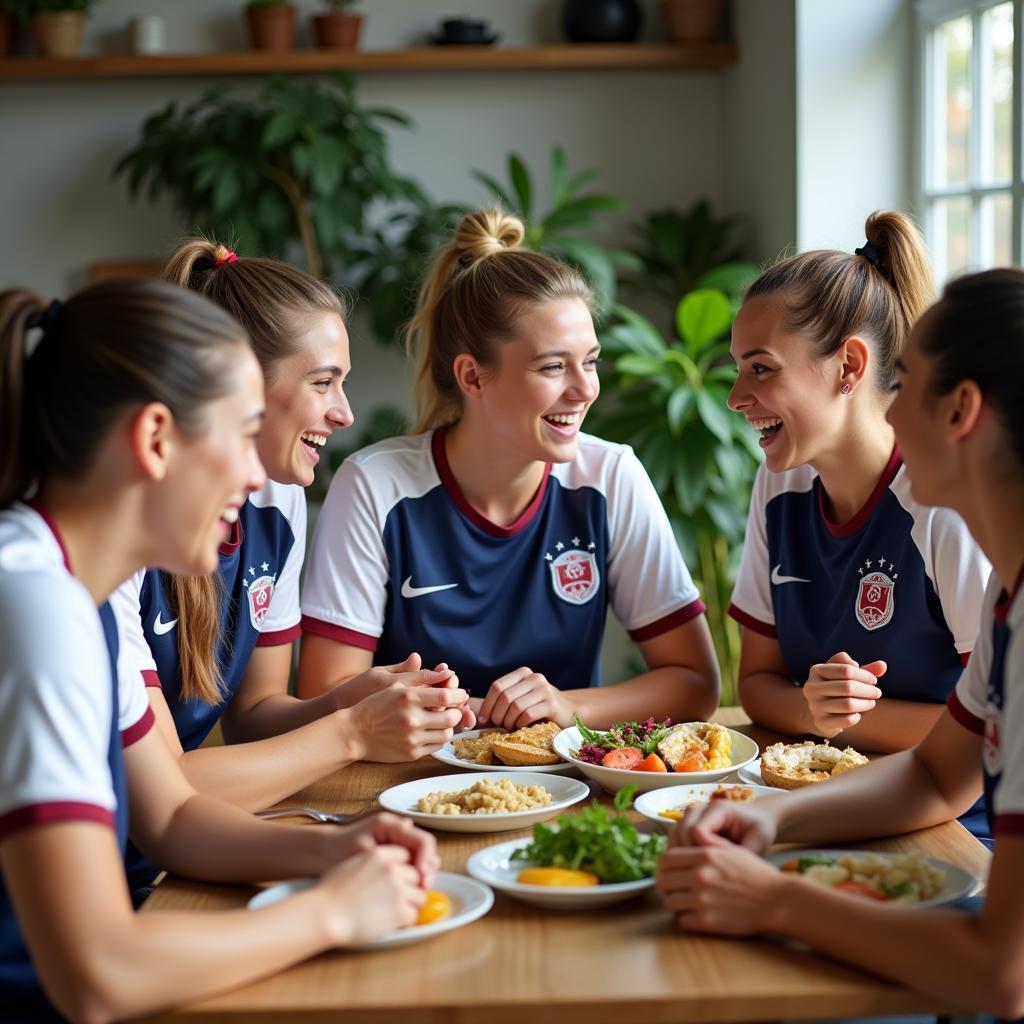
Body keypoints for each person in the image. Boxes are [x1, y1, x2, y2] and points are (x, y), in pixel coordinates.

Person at [0, 280, 435, 1024]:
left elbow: (168, 817)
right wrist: (329, 913)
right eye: (240, 435)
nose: (250, 476)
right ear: (157, 439)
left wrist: (334, 850)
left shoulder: (76, 591)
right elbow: (97, 973)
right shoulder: (34, 602)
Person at [656, 268, 1024, 1017]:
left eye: (907, 381)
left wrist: (776, 902)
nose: (888, 406)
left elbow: (1003, 973)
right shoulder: (1007, 597)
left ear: (960, 411)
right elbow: (937, 773)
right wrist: (771, 816)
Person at [297, 208, 720, 730]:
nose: (586, 389)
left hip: (566, 787)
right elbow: (326, 696)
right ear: (472, 377)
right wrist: (484, 714)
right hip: (408, 783)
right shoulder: (374, 486)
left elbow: (696, 683)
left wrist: (568, 708)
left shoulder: (611, 476)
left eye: (589, 361)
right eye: (553, 366)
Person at [109, 241, 470, 836]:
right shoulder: (114, 544)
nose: (345, 413)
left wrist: (351, 701)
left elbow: (252, 718)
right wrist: (351, 733)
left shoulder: (278, 499)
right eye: (323, 382)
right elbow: (164, 794)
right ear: (241, 382)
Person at [726, 212, 990, 763]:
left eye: (761, 370)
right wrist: (809, 711)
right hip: (832, 786)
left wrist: (842, 718)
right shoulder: (780, 484)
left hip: (964, 823)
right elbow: (755, 681)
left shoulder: (943, 501)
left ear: (848, 365)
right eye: (737, 370)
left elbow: (998, 723)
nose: (735, 397)